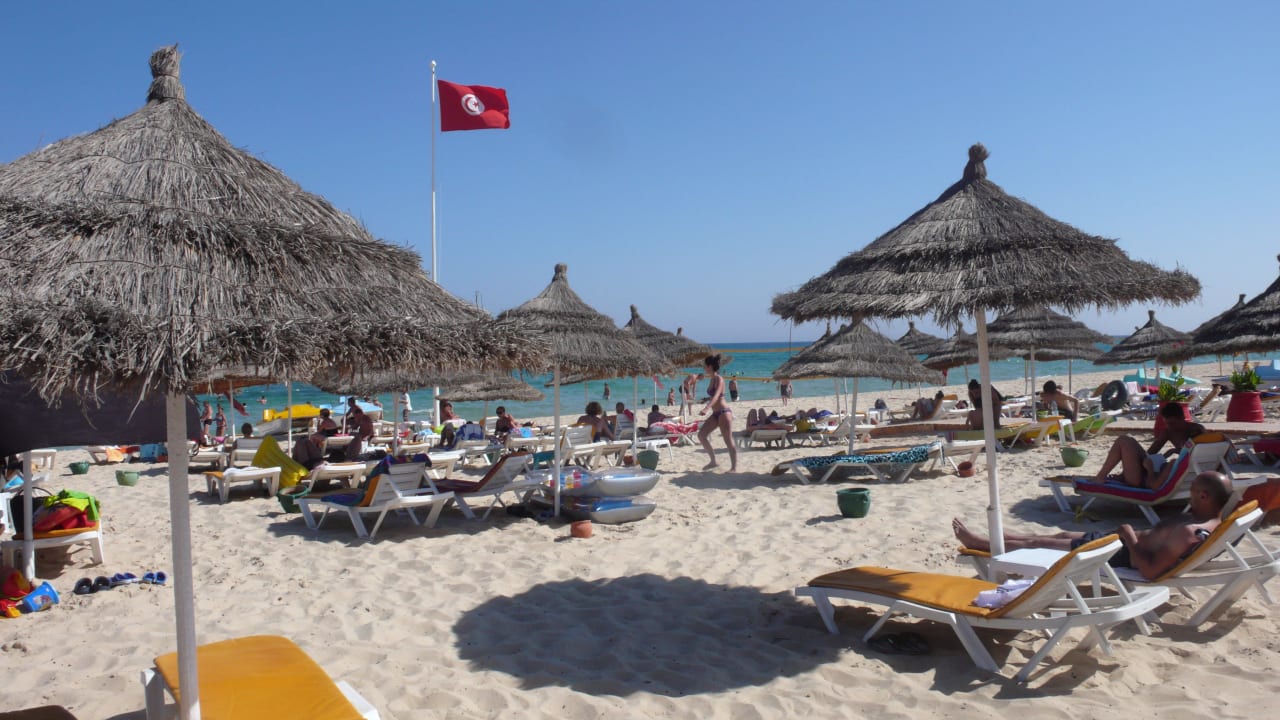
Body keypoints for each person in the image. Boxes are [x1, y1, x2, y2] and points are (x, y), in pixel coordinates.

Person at [953, 472, 1232, 581]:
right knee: (1059, 535)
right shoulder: (1214, 522)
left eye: (1193, 491)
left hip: (1119, 553)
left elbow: (1149, 570)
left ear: (1204, 497)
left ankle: (980, 544)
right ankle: (999, 538)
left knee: (1042, 546)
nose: (1189, 494)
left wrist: (1129, 536)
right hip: (1120, 542)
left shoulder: (1189, 532)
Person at [1093, 402, 1206, 488]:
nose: (1170, 426)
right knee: (1128, 441)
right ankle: (1122, 475)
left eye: (1172, 423)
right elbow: (1150, 453)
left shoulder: (1194, 433)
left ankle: (1101, 477)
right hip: (1159, 473)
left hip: (1144, 479)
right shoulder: (1173, 432)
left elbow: (1153, 485)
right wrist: (1169, 453)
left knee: (1123, 441)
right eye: (1167, 423)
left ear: (1182, 418)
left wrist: (1151, 469)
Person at [697, 354, 738, 472]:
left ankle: (734, 468)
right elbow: (712, 397)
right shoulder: (712, 378)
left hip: (724, 413)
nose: (704, 368)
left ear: (710, 366)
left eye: (705, 366)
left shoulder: (719, 379)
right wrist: (706, 400)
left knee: (728, 440)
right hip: (716, 414)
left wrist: (706, 407)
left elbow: (716, 396)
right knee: (701, 435)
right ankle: (713, 461)